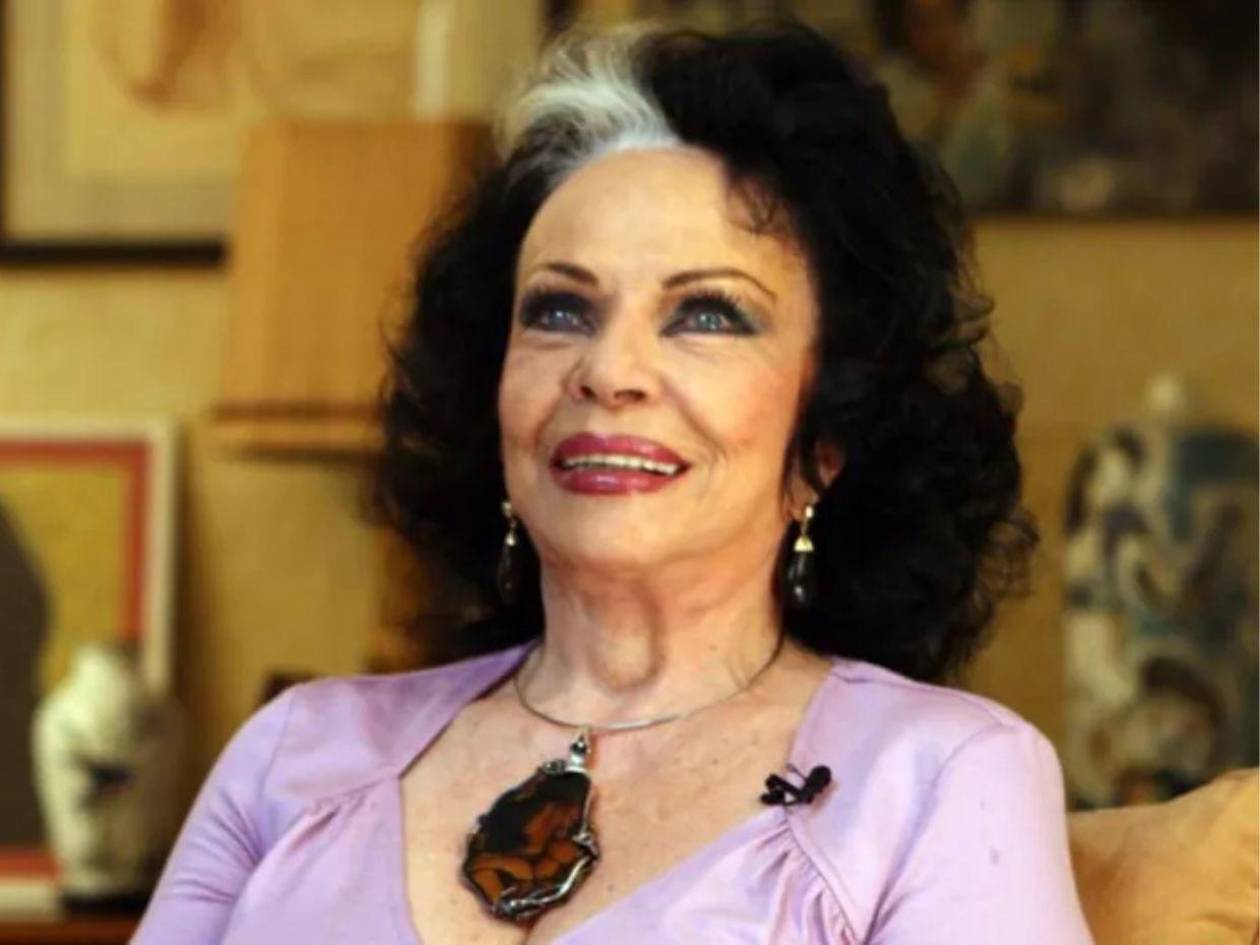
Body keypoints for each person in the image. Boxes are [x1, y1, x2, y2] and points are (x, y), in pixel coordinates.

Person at [132, 19, 1094, 945]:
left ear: (828, 435)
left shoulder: (938, 775)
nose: (608, 370)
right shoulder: (297, 755)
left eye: (707, 315)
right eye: (559, 310)